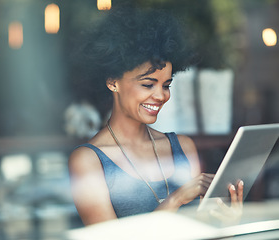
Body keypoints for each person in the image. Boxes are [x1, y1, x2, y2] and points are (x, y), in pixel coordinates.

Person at [68, 7, 244, 226]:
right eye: (148, 84)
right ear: (113, 81)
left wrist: (228, 221)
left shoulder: (183, 147)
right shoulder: (88, 161)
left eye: (166, 85)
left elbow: (202, 230)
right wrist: (176, 199)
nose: (161, 95)